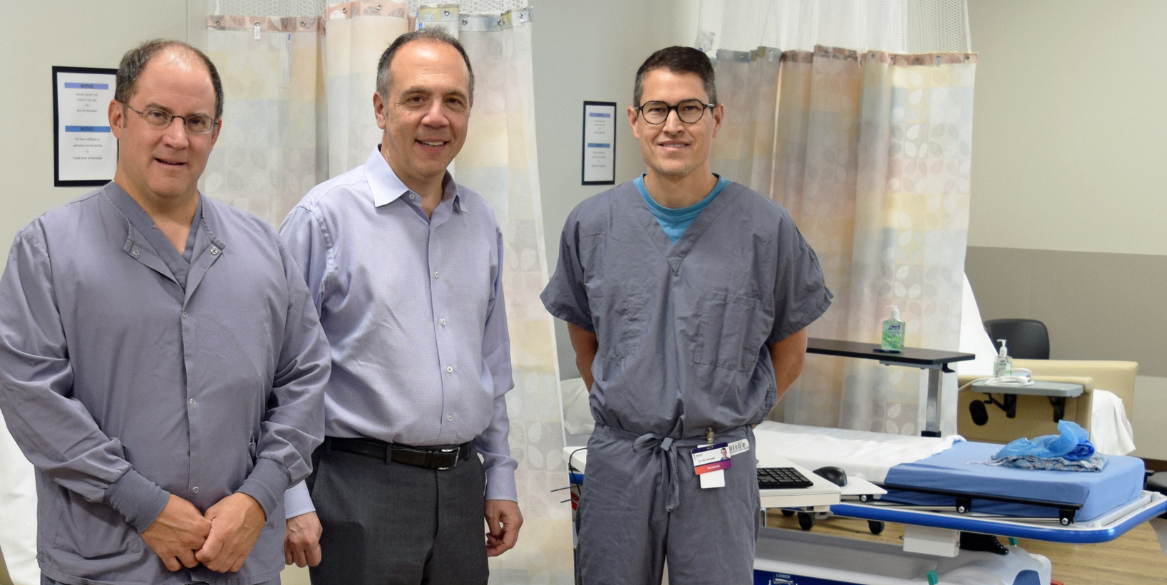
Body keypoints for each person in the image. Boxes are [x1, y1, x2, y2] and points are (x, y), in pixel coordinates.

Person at [0, 39, 328, 585]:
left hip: (235, 559)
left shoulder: (265, 252)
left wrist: (262, 495)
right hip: (108, 562)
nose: (177, 137)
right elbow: (31, 396)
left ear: (216, 133)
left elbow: (305, 379)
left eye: (196, 121)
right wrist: (140, 502)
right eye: (157, 115)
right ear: (117, 117)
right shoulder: (49, 251)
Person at [541, 46, 833, 585]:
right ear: (634, 120)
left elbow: (790, 350)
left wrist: (732, 413)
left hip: (719, 455)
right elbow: (584, 338)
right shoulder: (591, 226)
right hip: (621, 462)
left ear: (716, 117)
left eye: (690, 109)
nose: (672, 125)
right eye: (657, 109)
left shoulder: (765, 230)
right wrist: (634, 406)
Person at [275, 27, 522, 585]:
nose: (436, 117)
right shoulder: (324, 220)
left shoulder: (479, 222)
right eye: (417, 99)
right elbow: (274, 375)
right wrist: (291, 496)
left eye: (453, 101)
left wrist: (499, 477)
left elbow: (492, 366)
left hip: (461, 487)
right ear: (381, 108)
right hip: (359, 488)